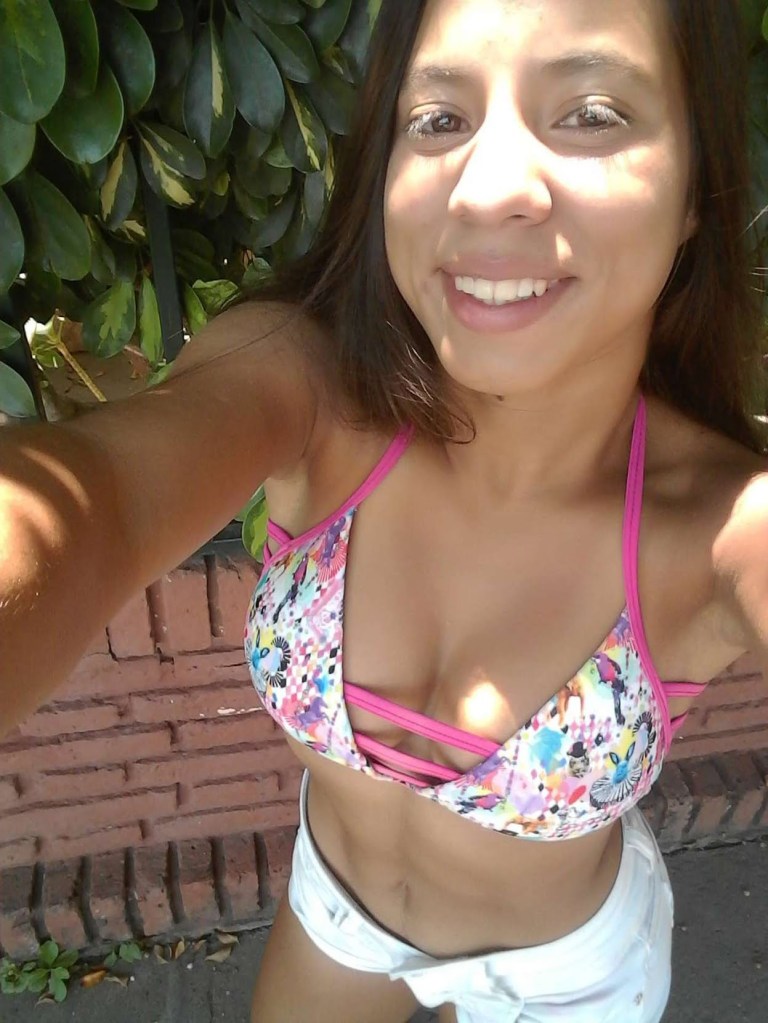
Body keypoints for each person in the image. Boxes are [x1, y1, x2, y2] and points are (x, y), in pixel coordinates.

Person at [2, 0, 768, 1020]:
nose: (487, 188)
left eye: (590, 113)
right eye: (438, 119)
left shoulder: (724, 527)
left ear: (694, 191)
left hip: (564, 979)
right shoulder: (309, 388)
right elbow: (90, 505)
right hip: (339, 916)